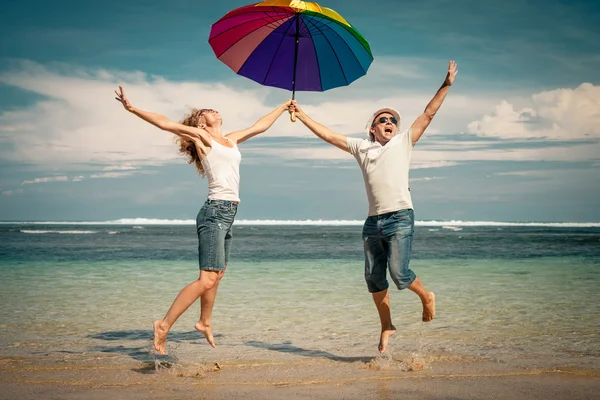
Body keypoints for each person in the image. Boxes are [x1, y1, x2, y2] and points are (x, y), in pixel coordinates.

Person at [288, 61, 458, 353]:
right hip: (372, 222)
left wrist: (445, 85)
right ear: (372, 128)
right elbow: (328, 135)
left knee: (399, 273)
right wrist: (301, 113)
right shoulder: (361, 147)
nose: (389, 121)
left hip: (401, 217)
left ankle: (426, 296)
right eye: (383, 119)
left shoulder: (404, 142)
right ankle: (387, 326)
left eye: (392, 119)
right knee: (373, 277)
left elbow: (428, 113)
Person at [115, 86, 291, 354]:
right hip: (214, 212)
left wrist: (282, 107)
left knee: (217, 275)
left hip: (229, 212)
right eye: (206, 110)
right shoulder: (202, 137)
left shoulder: (230, 140)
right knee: (206, 278)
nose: (213, 110)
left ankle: (204, 321)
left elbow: (259, 127)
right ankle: (163, 325)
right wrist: (132, 108)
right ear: (200, 122)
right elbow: (165, 123)